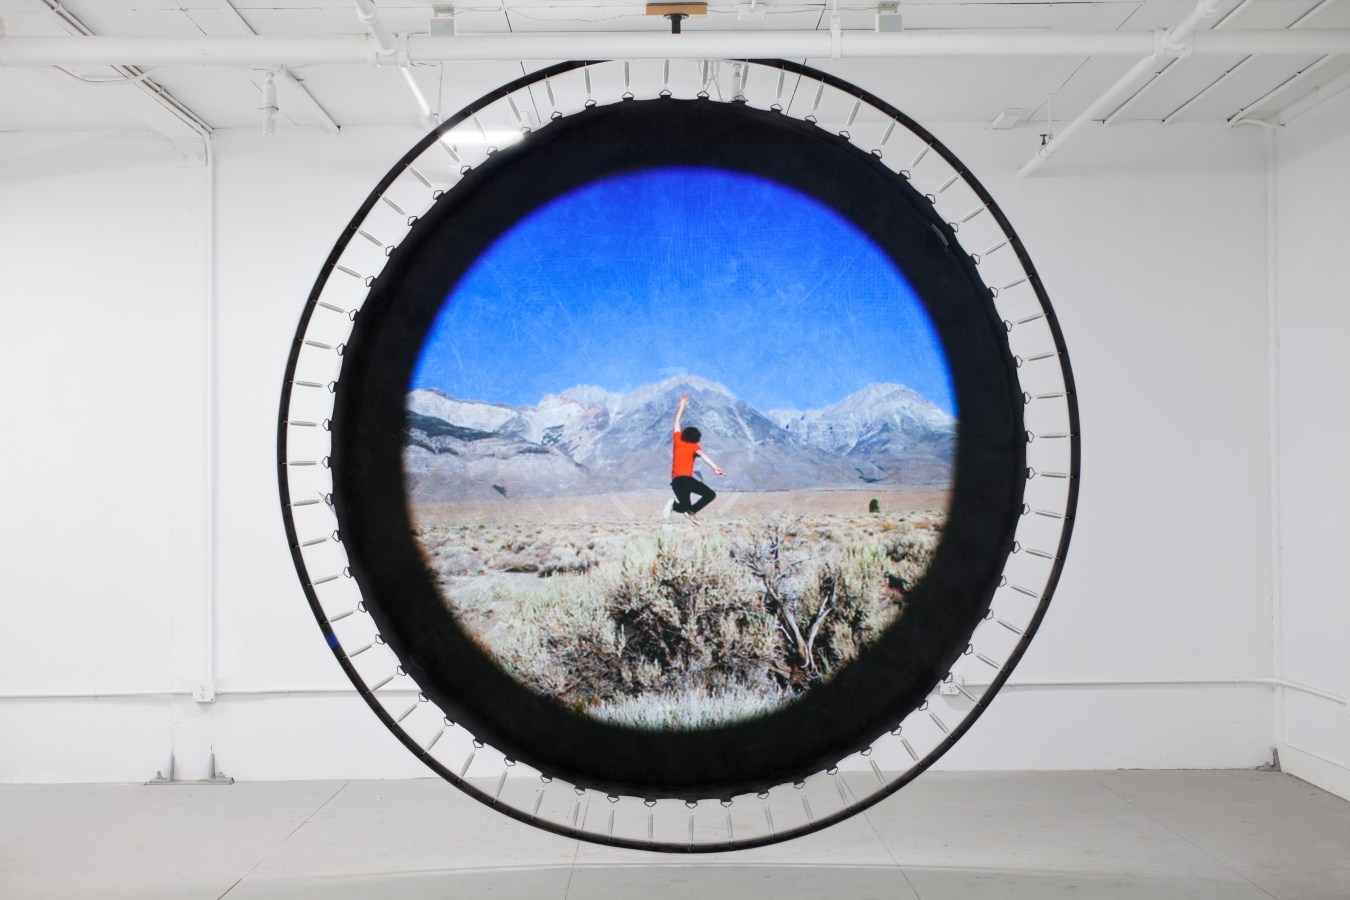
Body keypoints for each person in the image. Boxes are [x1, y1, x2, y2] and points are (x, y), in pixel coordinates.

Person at [665, 393, 724, 524]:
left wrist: (681, 405)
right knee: (710, 495)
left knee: (684, 507)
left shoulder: (678, 440)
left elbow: (676, 422)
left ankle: (675, 506)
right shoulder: (693, 446)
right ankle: (691, 512)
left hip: (675, 482)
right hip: (686, 480)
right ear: (696, 437)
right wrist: (715, 468)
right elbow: (703, 456)